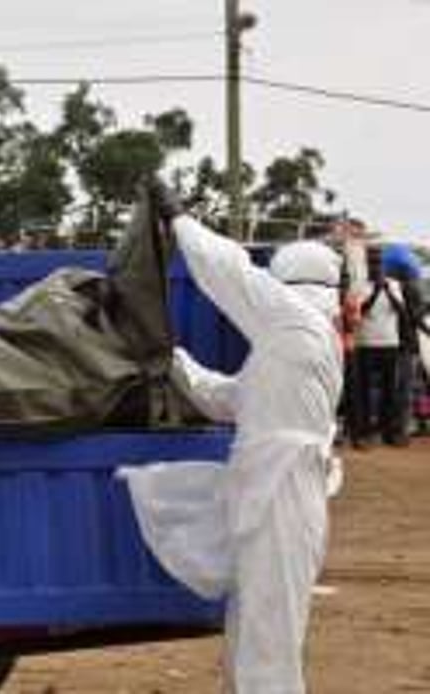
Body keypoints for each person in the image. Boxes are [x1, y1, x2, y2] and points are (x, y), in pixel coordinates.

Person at [119, 183, 342, 694]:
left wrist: (179, 219)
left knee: (269, 640)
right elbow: (230, 399)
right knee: (254, 629)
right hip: (273, 493)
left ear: (286, 285)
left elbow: (228, 272)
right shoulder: (291, 346)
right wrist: (172, 357)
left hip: (281, 493)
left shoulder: (297, 323)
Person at [357, 246, 407, 446]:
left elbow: (401, 311)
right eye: (372, 262)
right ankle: (365, 433)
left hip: (390, 343)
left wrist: (387, 290)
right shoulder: (361, 285)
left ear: (383, 265)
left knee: (389, 391)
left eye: (378, 262)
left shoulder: (393, 284)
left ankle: (390, 433)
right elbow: (361, 311)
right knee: (365, 391)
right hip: (366, 343)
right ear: (367, 264)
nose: (376, 266)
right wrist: (376, 291)